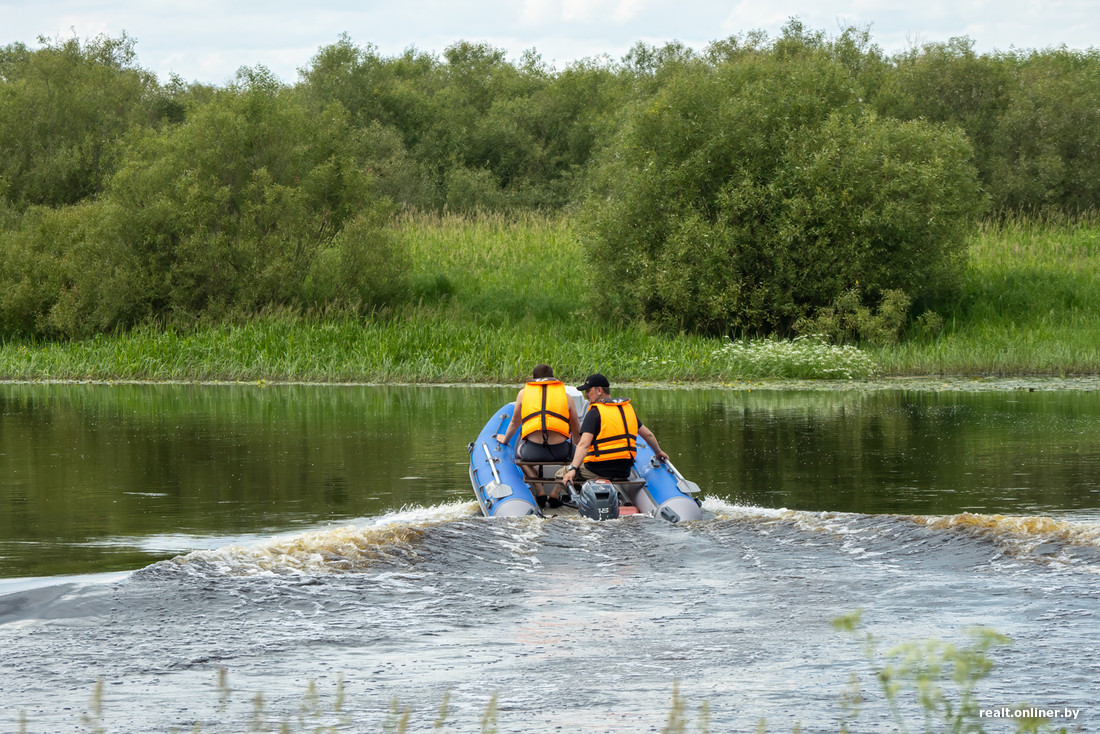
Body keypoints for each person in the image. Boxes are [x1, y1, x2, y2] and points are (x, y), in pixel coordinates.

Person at [560, 373, 668, 487]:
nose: (585, 394)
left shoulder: (594, 412)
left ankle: (555, 498)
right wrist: (658, 452)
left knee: (562, 473)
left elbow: (584, 444)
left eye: (588, 391)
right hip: (624, 471)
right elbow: (648, 435)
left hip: (598, 470)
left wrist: (573, 468)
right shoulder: (626, 409)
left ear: (599, 391)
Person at [495, 364, 581, 507]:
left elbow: (515, 422)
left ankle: (540, 489)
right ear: (554, 379)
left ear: (533, 378)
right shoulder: (567, 397)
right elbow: (576, 431)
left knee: (518, 455)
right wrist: (577, 450)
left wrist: (505, 440)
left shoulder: (523, 394)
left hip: (532, 452)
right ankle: (556, 491)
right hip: (561, 452)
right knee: (577, 458)